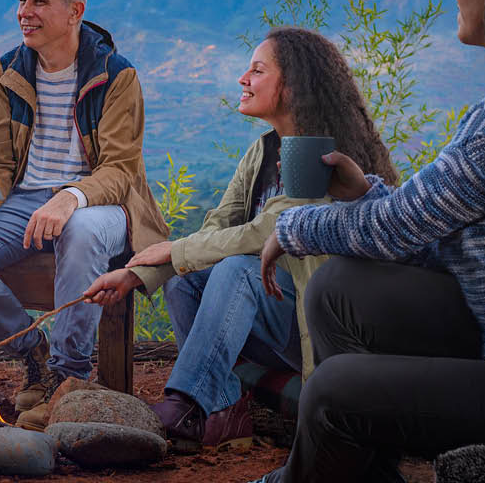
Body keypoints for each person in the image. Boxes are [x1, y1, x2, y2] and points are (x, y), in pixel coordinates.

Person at [251, 0, 485, 483]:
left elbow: (398, 227)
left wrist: (292, 226)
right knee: (338, 288)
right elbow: (436, 230)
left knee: (334, 389)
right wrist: (365, 195)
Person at [84, 27, 398, 452]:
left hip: (315, 324)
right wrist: (138, 272)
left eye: (257, 70)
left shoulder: (324, 156)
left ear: (292, 85)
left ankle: (189, 404)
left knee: (237, 269)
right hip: (268, 316)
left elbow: (268, 229)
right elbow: (218, 226)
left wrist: (175, 250)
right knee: (184, 278)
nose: (242, 79)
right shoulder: (264, 151)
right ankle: (224, 409)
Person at [0, 0, 170, 431]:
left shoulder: (115, 75)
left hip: (102, 203)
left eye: (39, 0)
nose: (25, 11)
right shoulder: (6, 72)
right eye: (22, 0)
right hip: (23, 201)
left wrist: (71, 198)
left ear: (74, 11)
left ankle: (68, 375)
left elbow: (120, 170)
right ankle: (32, 353)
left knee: (79, 230)